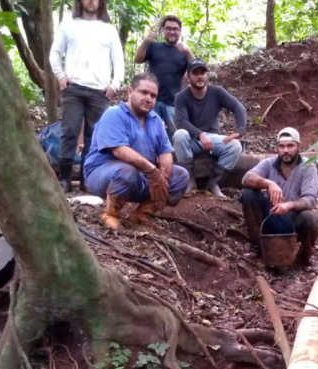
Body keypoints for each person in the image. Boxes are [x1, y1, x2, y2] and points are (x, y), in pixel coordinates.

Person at [83, 73, 189, 229]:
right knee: (127, 171)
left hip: (140, 177)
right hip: (102, 175)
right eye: (144, 92)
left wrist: (163, 178)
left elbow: (165, 151)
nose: (149, 98)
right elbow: (119, 151)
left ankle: (141, 214)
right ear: (130, 92)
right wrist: (153, 172)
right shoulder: (114, 114)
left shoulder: (155, 120)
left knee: (180, 176)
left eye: (153, 95)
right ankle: (110, 214)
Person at [49, 0, 125, 193]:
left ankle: (86, 179)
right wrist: (61, 76)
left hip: (99, 92)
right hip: (73, 88)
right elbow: (55, 53)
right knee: (69, 132)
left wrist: (114, 85)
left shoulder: (109, 30)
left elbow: (118, 60)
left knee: (95, 137)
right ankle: (65, 179)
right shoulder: (68, 25)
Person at [241, 127, 318, 266]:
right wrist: (268, 183)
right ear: (277, 148)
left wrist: (289, 205)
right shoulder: (269, 163)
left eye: (290, 146)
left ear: (299, 147)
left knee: (311, 218)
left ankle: (303, 257)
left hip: (294, 220)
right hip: (270, 215)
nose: (285, 150)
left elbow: (310, 199)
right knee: (248, 194)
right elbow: (246, 178)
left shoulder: (308, 166)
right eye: (281, 146)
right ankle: (257, 247)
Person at [173, 59, 247, 199]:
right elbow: (181, 121)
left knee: (235, 146)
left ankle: (213, 184)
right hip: (192, 140)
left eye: (203, 72)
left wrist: (239, 131)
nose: (200, 76)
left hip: (213, 140)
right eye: (195, 73)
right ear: (188, 77)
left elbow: (239, 108)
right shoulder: (181, 97)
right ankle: (189, 180)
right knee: (179, 135)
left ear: (207, 75)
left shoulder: (217, 92)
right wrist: (200, 134)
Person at [134, 15, 194, 140]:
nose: (172, 31)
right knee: (149, 134)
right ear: (163, 30)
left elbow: (196, 69)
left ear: (180, 31)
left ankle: (173, 160)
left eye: (175, 29)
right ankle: (151, 159)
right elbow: (138, 59)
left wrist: (188, 51)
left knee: (174, 136)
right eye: (168, 28)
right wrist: (146, 41)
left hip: (173, 102)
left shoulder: (183, 51)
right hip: (152, 100)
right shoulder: (154, 47)